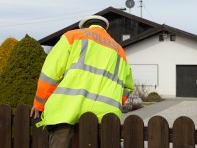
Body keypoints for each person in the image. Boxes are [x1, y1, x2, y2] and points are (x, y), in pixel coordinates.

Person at [30, 15, 134, 148]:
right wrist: (115, 101)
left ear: (85, 27)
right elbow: (128, 87)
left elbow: (51, 72)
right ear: (104, 29)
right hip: (106, 112)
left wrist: (39, 103)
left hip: (68, 107)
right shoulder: (119, 50)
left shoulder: (73, 36)